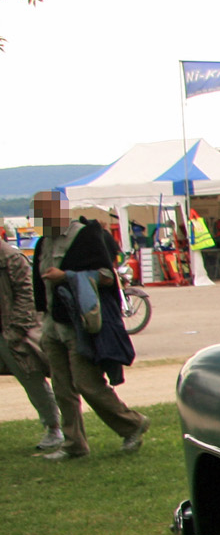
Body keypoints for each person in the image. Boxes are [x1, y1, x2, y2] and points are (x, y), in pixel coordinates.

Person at [31, 194, 148, 460]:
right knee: (62, 387)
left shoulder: (85, 236)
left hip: (78, 325)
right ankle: (74, 445)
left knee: (87, 383)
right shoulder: (43, 243)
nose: (40, 221)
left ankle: (132, 424)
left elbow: (108, 276)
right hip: (52, 324)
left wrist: (67, 277)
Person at [1, 226, 61, 450]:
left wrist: (16, 330)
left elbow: (27, 295)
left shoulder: (10, 258)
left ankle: (54, 427)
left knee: (31, 377)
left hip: (12, 331)